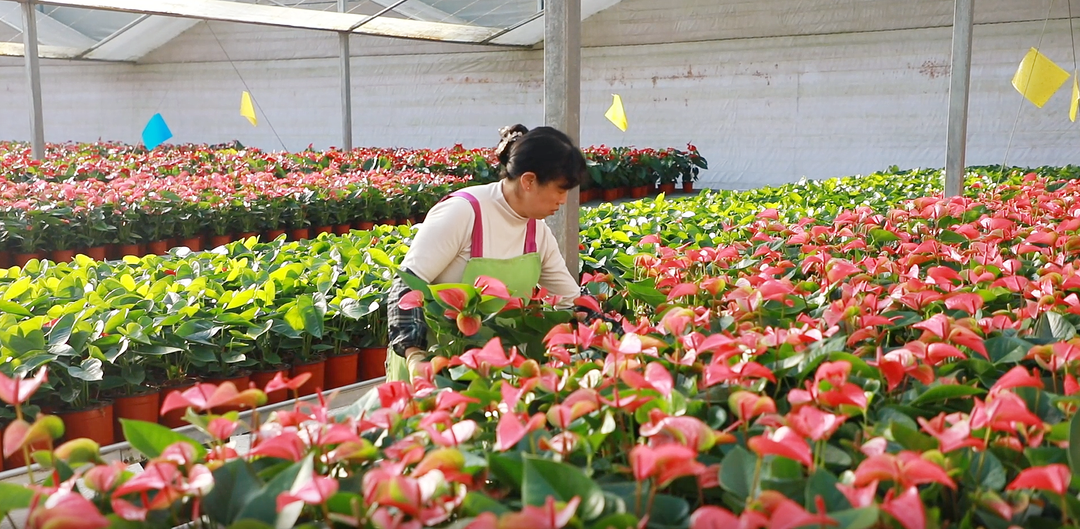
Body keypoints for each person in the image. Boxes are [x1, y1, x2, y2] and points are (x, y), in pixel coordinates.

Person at [385, 124, 586, 381]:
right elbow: (406, 283)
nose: (563, 200)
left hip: (493, 373)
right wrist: (415, 356)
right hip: (434, 369)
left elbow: (571, 300)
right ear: (528, 181)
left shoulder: (537, 231)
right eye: (560, 190)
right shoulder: (463, 213)